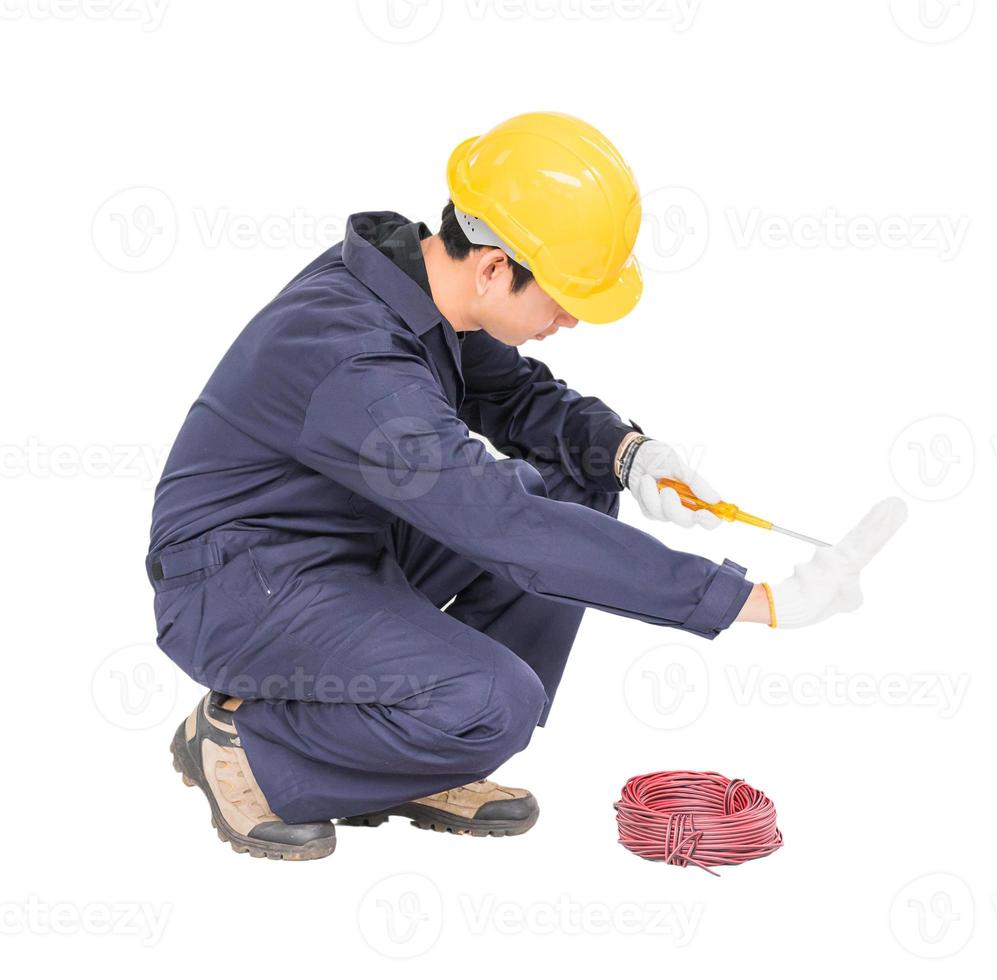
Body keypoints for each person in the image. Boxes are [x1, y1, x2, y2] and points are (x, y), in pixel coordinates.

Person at [147, 112, 906, 861]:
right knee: (494, 703)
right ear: (491, 266)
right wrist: (752, 602)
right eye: (565, 294)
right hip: (240, 585)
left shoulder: (417, 288)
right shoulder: (355, 359)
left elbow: (512, 399)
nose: (572, 316)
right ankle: (249, 744)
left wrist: (628, 455)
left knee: (576, 484)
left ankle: (416, 752)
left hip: (343, 539)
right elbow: (501, 523)